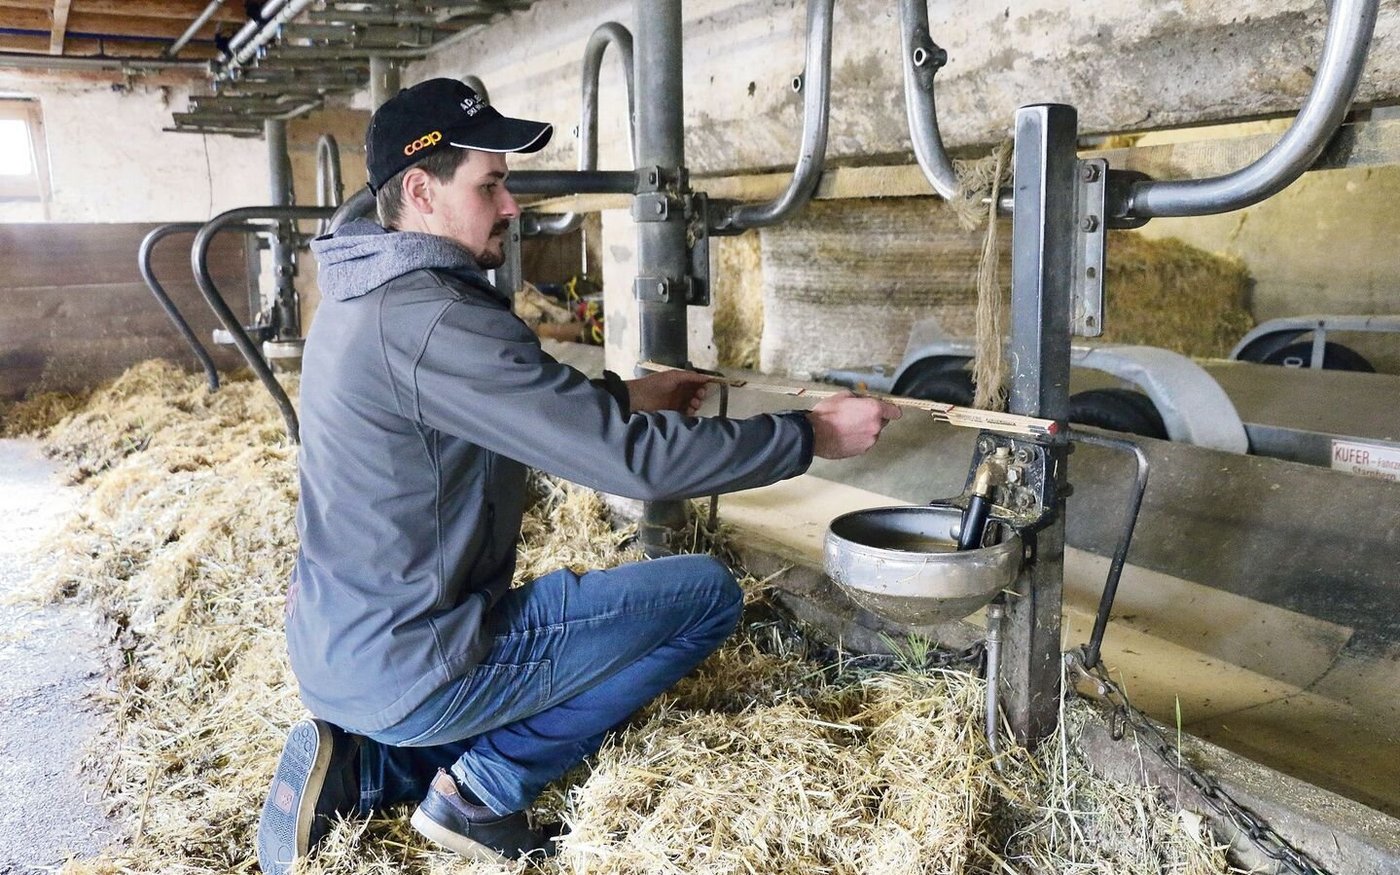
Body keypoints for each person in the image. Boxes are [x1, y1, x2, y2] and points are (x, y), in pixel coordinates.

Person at [255, 77, 901, 873]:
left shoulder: (365, 294)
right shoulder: (434, 318)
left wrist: (626, 396)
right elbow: (631, 460)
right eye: (489, 186)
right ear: (421, 191)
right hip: (414, 659)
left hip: (342, 648)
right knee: (705, 594)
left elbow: (501, 408)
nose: (511, 206)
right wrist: (810, 434)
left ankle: (371, 770)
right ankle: (482, 789)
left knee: (580, 627)